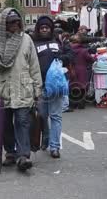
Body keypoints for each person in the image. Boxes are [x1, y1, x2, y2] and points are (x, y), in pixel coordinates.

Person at [0, 8, 42, 172]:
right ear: (4, 23)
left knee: (23, 122)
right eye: (11, 21)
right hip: (1, 90)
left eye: (17, 21)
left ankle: (23, 156)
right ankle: (10, 153)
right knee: (4, 124)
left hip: (23, 89)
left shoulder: (26, 40)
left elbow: (34, 67)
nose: (15, 24)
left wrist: (37, 89)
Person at [32, 16, 72, 158]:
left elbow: (69, 55)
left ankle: (55, 147)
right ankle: (46, 138)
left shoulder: (58, 41)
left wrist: (61, 59)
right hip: (40, 85)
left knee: (56, 116)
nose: (44, 29)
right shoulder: (33, 43)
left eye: (47, 27)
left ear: (51, 29)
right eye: (42, 27)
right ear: (38, 29)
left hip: (56, 86)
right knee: (42, 115)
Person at [69, 34, 95, 110]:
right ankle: (81, 104)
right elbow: (91, 59)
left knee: (73, 86)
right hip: (82, 70)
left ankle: (73, 104)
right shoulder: (83, 51)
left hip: (72, 70)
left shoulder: (69, 50)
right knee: (82, 87)